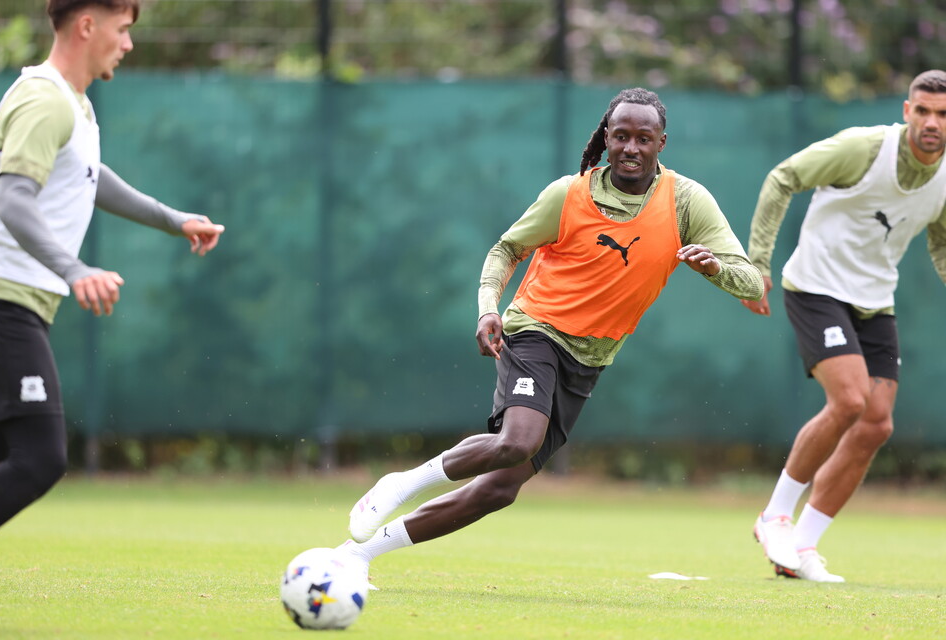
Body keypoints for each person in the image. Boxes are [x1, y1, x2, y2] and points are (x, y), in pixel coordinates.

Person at [337, 87, 764, 585]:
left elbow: (751, 282)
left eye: (643, 138)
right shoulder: (568, 194)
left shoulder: (687, 201)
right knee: (518, 441)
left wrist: (715, 269)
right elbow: (505, 249)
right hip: (536, 331)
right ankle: (403, 483)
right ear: (606, 137)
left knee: (498, 490)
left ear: (661, 143)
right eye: (621, 136)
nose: (630, 147)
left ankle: (355, 556)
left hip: (590, 360)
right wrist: (487, 309)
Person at [0, 0, 225, 536]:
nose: (128, 44)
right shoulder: (44, 99)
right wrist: (74, 270)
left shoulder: (74, 105)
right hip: (0, 300)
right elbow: (15, 201)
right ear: (87, 26)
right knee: (38, 458)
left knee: (0, 454)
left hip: (12, 300)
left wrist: (174, 220)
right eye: (122, 29)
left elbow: (91, 176)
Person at [744, 70, 946, 582]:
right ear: (907, 111)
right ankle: (774, 516)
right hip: (816, 288)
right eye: (923, 111)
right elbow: (783, 177)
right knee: (851, 400)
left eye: (943, 114)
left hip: (875, 301)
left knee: (877, 423)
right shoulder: (863, 149)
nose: (932, 122)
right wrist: (757, 263)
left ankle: (802, 546)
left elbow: (941, 244)